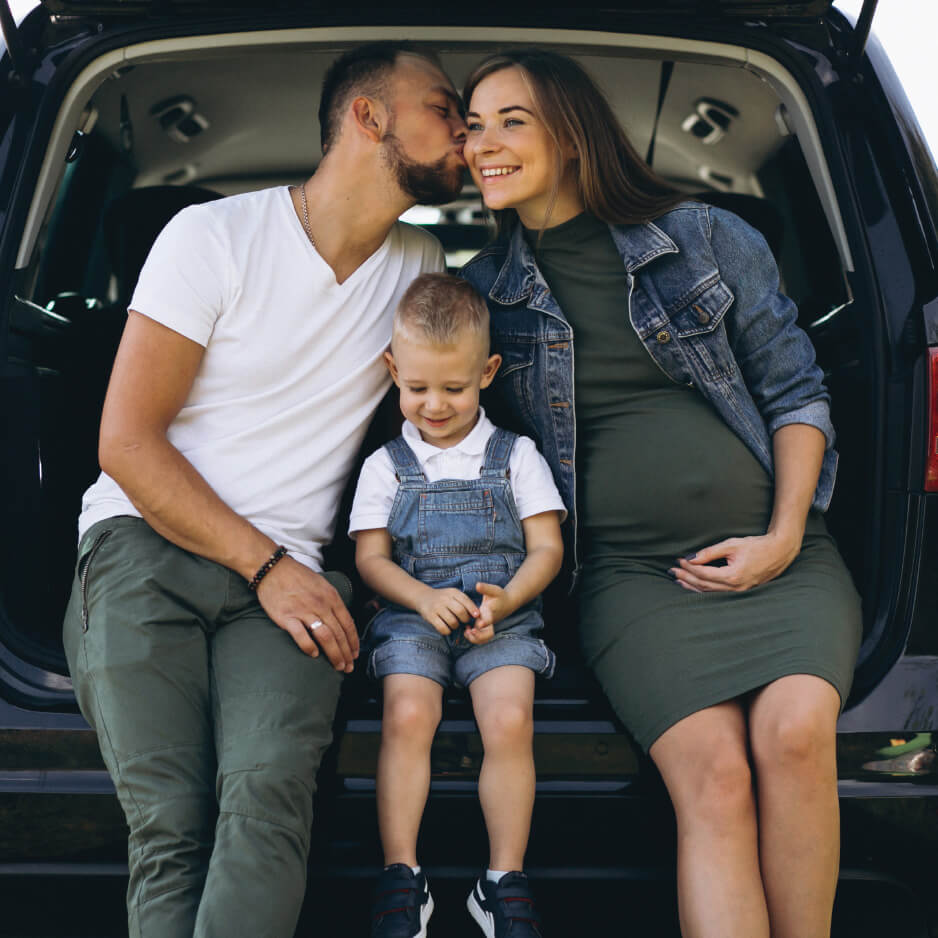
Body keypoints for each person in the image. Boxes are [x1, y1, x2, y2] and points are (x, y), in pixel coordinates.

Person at [61, 42, 468, 938]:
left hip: (286, 584)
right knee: (173, 829)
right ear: (370, 117)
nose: (465, 127)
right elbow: (126, 442)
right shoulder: (214, 237)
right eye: (443, 106)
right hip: (145, 544)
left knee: (269, 810)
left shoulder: (422, 266)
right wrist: (268, 564)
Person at [460, 49, 862, 938]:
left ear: (571, 136)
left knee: (795, 737)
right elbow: (443, 439)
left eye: (511, 121)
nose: (483, 144)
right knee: (714, 778)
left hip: (784, 553)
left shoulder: (705, 238)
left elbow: (798, 395)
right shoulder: (483, 296)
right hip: (634, 580)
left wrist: (785, 535)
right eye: (473, 125)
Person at [350, 273, 565, 938]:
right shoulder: (386, 465)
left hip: (500, 619)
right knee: (408, 712)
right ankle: (402, 875)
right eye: (417, 388)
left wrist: (511, 597)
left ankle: (502, 879)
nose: (435, 405)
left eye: (456, 387)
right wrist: (420, 596)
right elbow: (370, 559)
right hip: (412, 617)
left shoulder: (515, 456)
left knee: (508, 720)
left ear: (489, 372)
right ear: (392, 371)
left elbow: (547, 548)